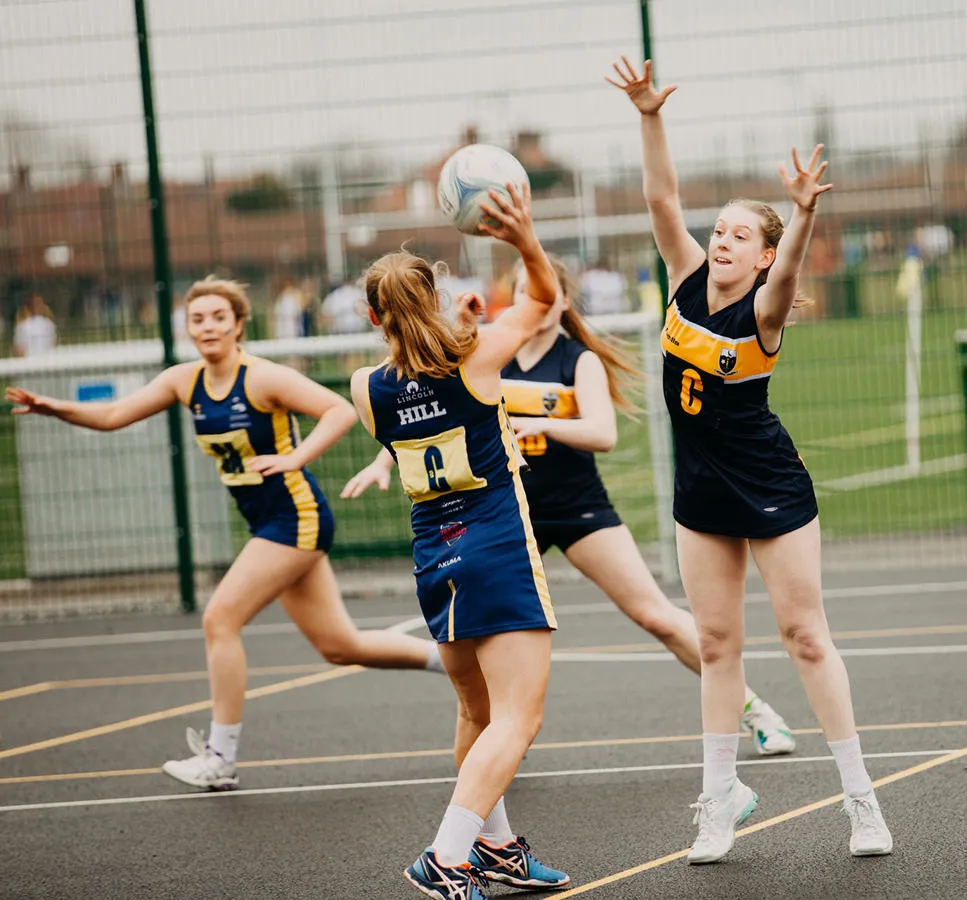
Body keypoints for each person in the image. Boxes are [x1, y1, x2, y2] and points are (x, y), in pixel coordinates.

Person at [609, 56, 892, 862]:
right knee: (717, 645)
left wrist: (800, 212)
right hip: (701, 489)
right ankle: (719, 800)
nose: (722, 240)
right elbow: (662, 198)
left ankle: (860, 800)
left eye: (740, 235)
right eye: (720, 230)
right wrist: (649, 115)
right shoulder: (683, 279)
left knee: (805, 634)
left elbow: (796, 262)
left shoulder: (765, 309)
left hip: (769, 483)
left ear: (762, 257)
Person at [4, 277, 448, 791]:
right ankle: (453, 664)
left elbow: (340, 410)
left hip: (295, 518)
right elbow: (111, 415)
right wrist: (55, 408)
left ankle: (221, 757)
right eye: (197, 319)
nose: (207, 327)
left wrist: (296, 458)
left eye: (218, 317)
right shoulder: (183, 381)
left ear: (239, 325)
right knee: (340, 646)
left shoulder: (260, 379)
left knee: (219, 618)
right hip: (269, 523)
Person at [345, 255, 798, 756]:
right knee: (480, 651)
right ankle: (487, 765)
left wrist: (545, 426)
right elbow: (430, 413)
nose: (530, 300)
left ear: (560, 301)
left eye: (539, 291)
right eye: (518, 291)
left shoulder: (576, 359)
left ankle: (755, 709)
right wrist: (383, 463)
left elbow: (602, 433)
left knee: (655, 614)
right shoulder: (490, 348)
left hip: (577, 507)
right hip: (506, 519)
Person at [348, 183, 569, 900]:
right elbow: (542, 302)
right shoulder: (475, 358)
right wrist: (524, 238)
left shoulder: (363, 386)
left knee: (477, 713)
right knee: (519, 719)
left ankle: (497, 846)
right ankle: (445, 856)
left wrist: (453, 328)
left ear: (373, 315)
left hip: (433, 555)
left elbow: (412, 397)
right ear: (436, 299)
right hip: (496, 546)